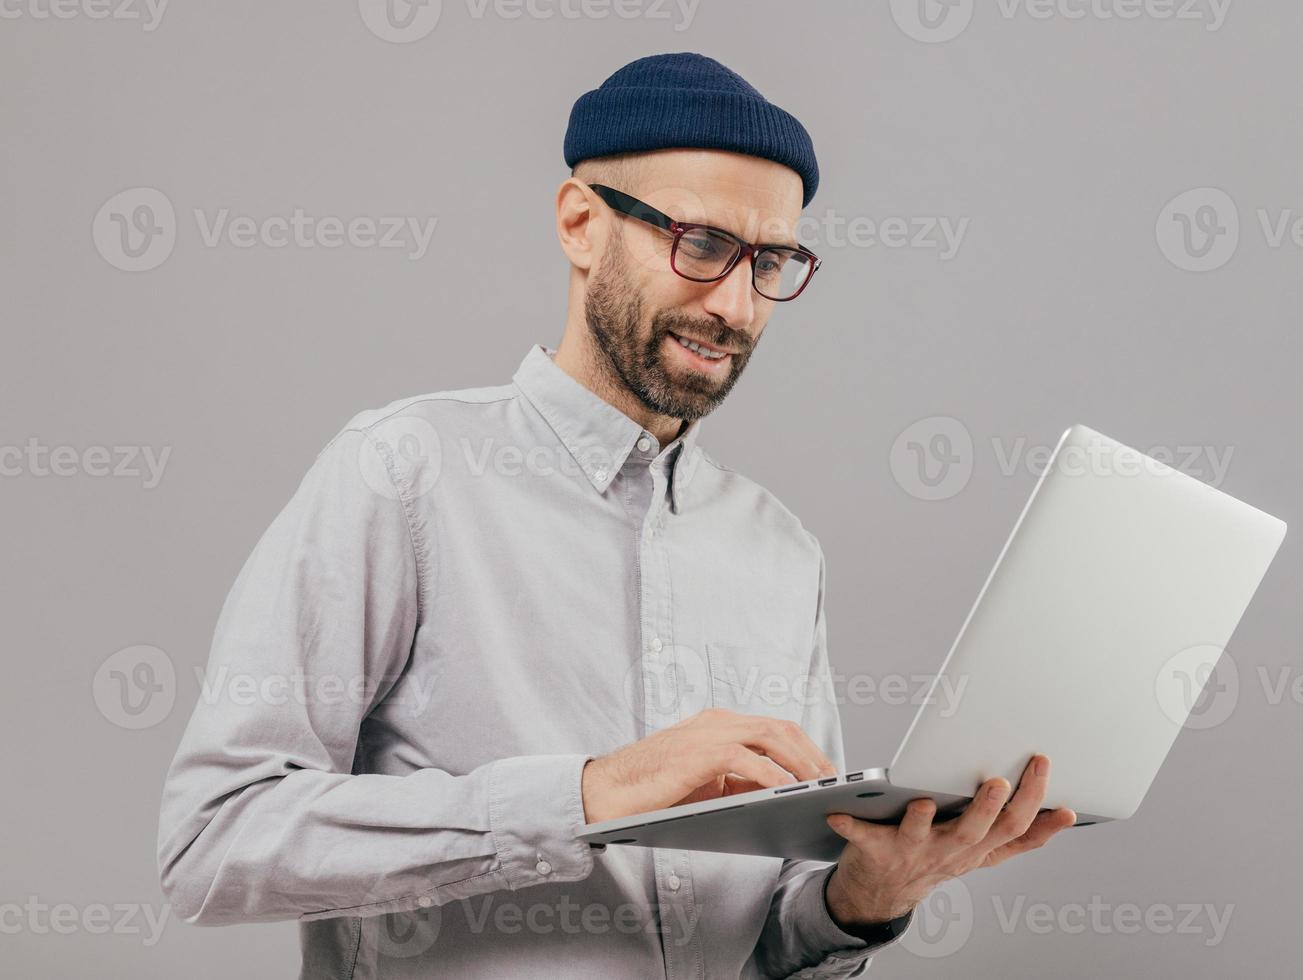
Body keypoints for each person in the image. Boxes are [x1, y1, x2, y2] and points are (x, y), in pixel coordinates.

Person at [156, 51, 1075, 979]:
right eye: (703, 244)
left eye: (771, 263)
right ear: (581, 224)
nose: (734, 305)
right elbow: (212, 844)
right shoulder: (405, 472)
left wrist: (866, 900)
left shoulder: (780, 552)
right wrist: (592, 794)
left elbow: (772, 948)